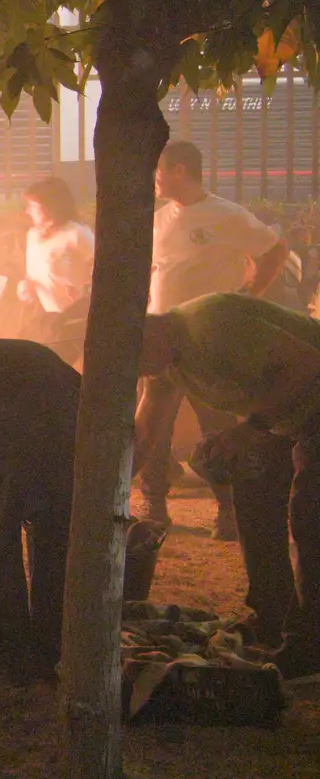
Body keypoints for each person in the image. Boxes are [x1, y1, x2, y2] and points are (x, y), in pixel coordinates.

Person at [138, 293, 320, 684]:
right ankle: (271, 616)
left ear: (148, 331)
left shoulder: (211, 327)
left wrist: (249, 429)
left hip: (312, 400)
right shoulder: (164, 361)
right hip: (282, 416)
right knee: (253, 498)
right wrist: (106, 491)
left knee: (311, 518)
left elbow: (308, 363)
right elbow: (145, 430)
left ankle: (311, 645)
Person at [136, 139, 286, 533]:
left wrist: (249, 295)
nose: (154, 177)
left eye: (159, 169)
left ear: (180, 170)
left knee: (216, 424)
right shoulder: (158, 219)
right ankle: (154, 504)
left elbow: (274, 251)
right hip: (161, 338)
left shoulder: (226, 215)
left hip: (209, 340)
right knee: (153, 424)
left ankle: (228, 510)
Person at [0, 339, 79, 678]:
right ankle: (51, 645)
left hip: (8, 427)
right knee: (53, 539)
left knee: (0, 541)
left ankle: (10, 650)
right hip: (68, 427)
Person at [15, 177, 93, 365]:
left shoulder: (76, 234)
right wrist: (26, 289)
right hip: (51, 323)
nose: (28, 211)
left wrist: (84, 291)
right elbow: (32, 276)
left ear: (50, 206)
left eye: (33, 206)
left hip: (79, 323)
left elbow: (105, 270)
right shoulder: (32, 236)